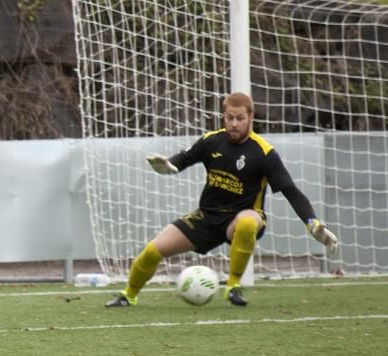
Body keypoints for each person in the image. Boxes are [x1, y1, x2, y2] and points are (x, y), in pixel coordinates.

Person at [105, 91, 339, 309]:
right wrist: (167, 166)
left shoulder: (264, 153)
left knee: (247, 221)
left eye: (239, 118)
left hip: (242, 217)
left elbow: (291, 190)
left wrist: (312, 223)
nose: (234, 123)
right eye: (229, 118)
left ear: (251, 117)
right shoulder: (211, 141)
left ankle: (233, 286)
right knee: (153, 250)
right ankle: (129, 295)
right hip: (207, 216)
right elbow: (182, 160)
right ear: (223, 116)